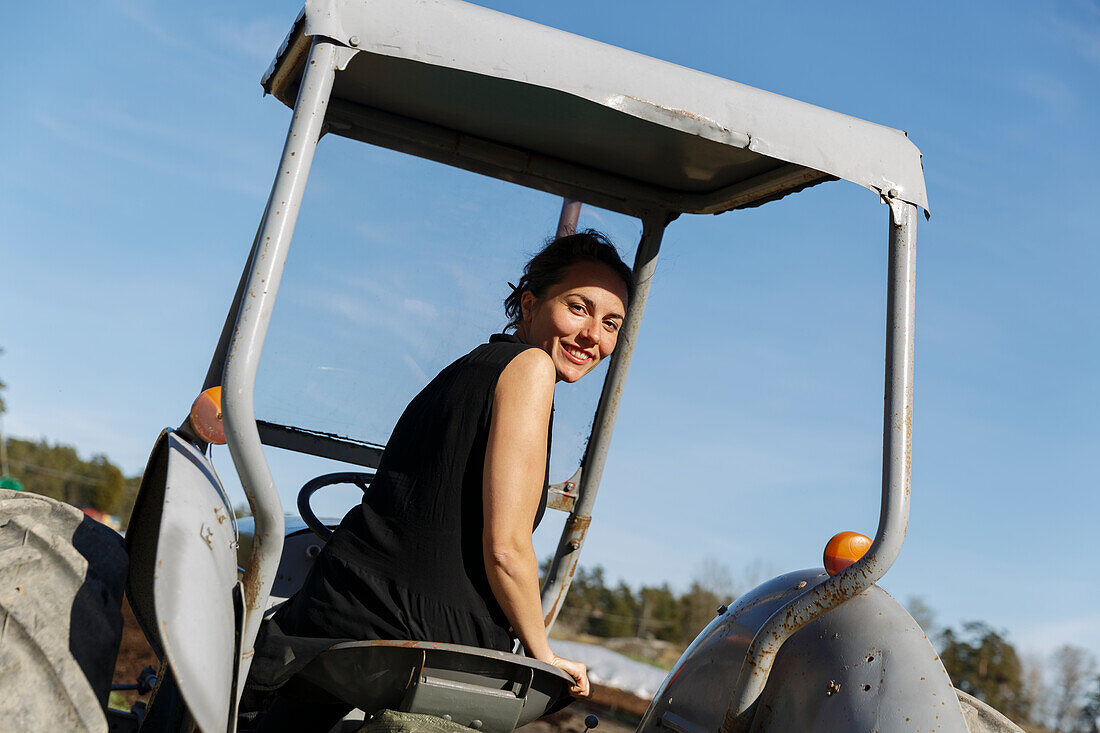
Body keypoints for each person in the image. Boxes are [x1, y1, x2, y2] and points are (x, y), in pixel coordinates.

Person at [244, 230, 634, 731]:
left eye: (611, 323)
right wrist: (542, 656)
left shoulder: (469, 368)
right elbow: (507, 549)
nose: (593, 336)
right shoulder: (530, 368)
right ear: (530, 305)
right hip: (418, 636)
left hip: (344, 603)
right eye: (579, 308)